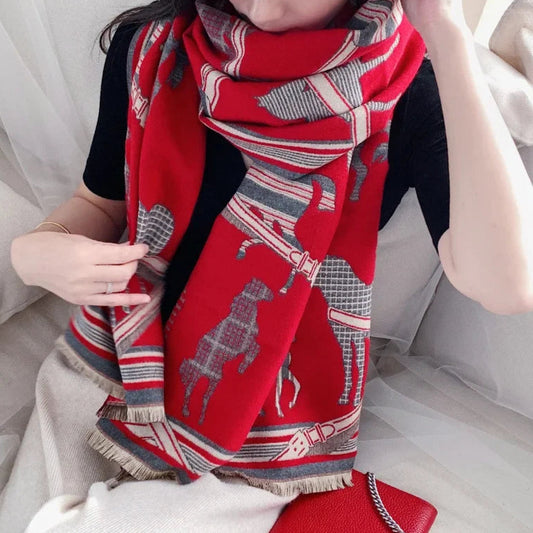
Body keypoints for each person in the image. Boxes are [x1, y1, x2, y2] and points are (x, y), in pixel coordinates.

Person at [2, 0, 533, 531]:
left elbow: (507, 284)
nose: (265, 6)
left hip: (261, 417)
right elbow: (98, 204)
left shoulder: (406, 89)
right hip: (113, 358)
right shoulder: (155, 47)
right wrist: (35, 251)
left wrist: (446, 32)